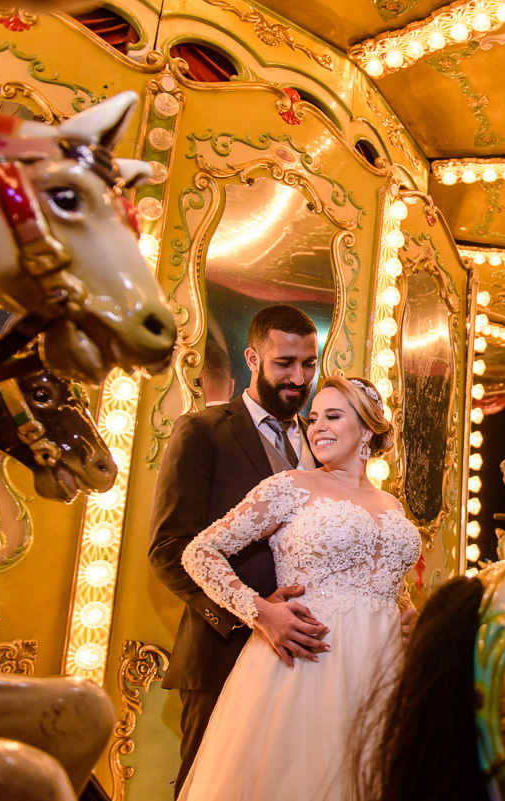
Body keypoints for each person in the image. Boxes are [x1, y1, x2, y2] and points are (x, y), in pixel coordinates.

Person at [176, 376, 421, 801]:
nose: (318, 427)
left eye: (333, 416)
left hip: (382, 667)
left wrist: (407, 608)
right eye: (314, 418)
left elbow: (382, 579)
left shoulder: (391, 504)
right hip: (310, 661)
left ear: (367, 429)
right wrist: (258, 611)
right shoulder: (292, 487)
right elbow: (199, 552)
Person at [148, 304, 328, 796]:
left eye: (308, 364)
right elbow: (168, 549)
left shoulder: (321, 440)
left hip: (305, 659)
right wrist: (251, 614)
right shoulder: (202, 432)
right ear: (253, 357)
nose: (298, 378)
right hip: (222, 650)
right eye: (284, 363)